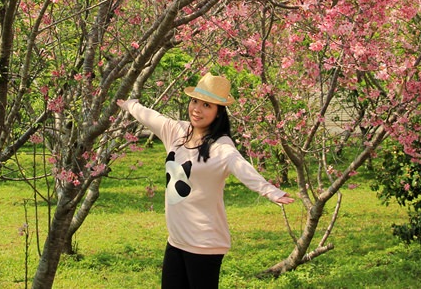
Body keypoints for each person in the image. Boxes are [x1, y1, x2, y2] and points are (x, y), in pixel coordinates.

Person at [118, 73, 294, 289]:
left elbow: (242, 168)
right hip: (176, 240)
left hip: (204, 243)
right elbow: (150, 116)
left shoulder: (221, 148)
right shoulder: (177, 131)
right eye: (194, 101)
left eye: (206, 105)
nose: (196, 109)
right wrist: (130, 105)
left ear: (218, 112)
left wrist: (271, 191)